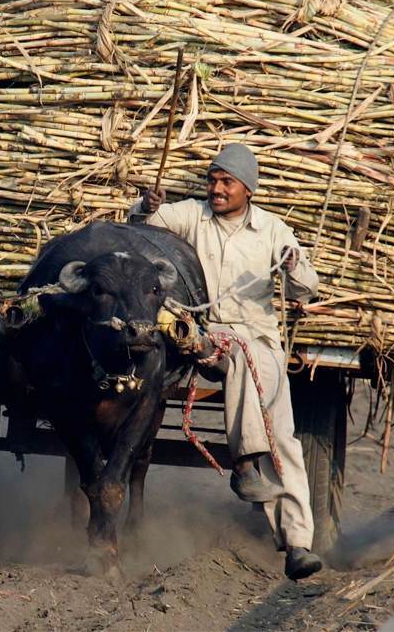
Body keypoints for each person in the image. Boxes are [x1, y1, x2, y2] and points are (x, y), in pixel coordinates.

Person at [129, 143, 323, 580]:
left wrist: (294, 267)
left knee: (285, 438)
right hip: (203, 335)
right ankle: (245, 463)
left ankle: (297, 544)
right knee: (240, 358)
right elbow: (140, 225)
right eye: (212, 181)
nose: (216, 189)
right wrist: (146, 204)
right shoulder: (191, 215)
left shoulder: (273, 230)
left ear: (247, 190)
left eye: (226, 183)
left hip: (262, 342)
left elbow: (305, 290)